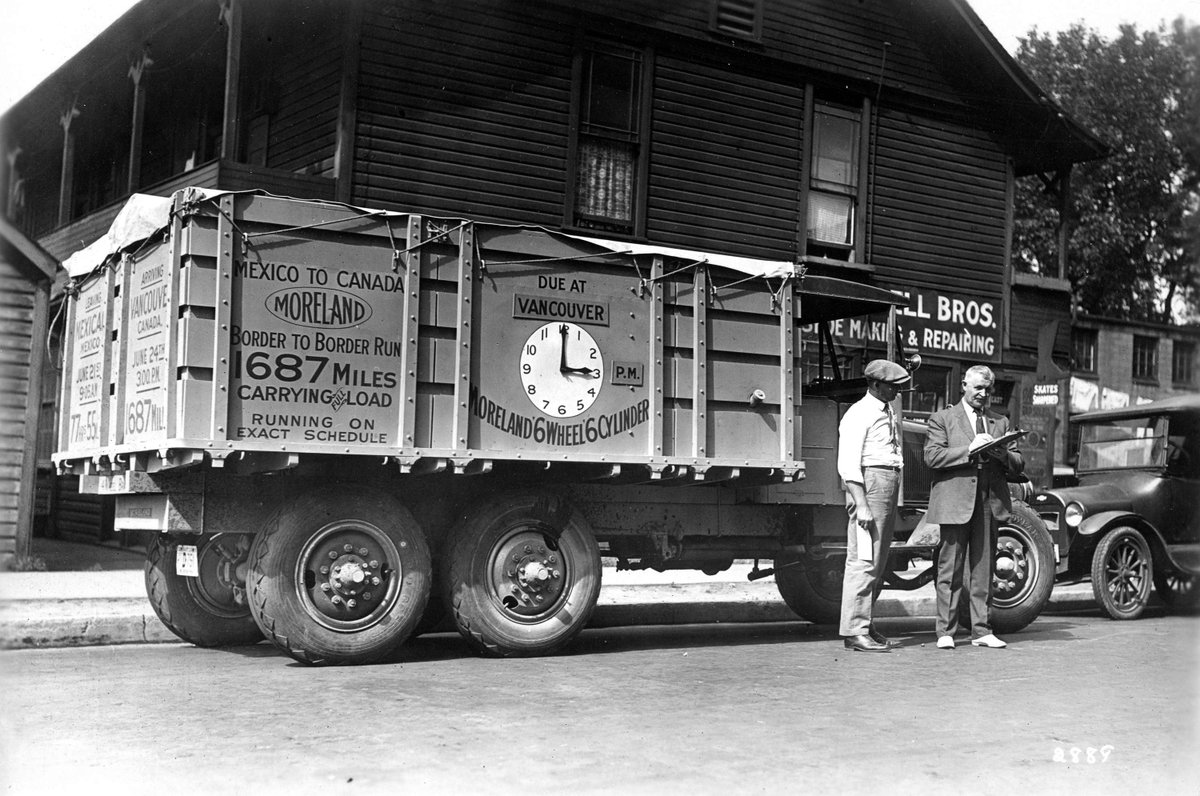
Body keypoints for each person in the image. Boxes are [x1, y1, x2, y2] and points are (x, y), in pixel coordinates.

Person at [923, 364, 1023, 650]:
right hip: (955, 501)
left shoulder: (999, 422)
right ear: (964, 385)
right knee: (949, 569)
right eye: (978, 387)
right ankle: (945, 631)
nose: (983, 394)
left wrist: (1003, 454)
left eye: (988, 389)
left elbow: (1018, 464)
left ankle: (981, 630)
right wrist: (969, 450)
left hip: (988, 500)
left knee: (984, 568)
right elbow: (932, 456)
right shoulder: (943, 418)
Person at [837, 359, 910, 653]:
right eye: (892, 386)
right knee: (864, 560)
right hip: (870, 485)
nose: (897, 391)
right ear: (876, 384)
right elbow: (848, 464)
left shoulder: (886, 409)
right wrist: (862, 505)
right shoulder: (859, 413)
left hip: (886, 484)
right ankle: (854, 630)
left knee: (877, 561)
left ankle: (864, 623)